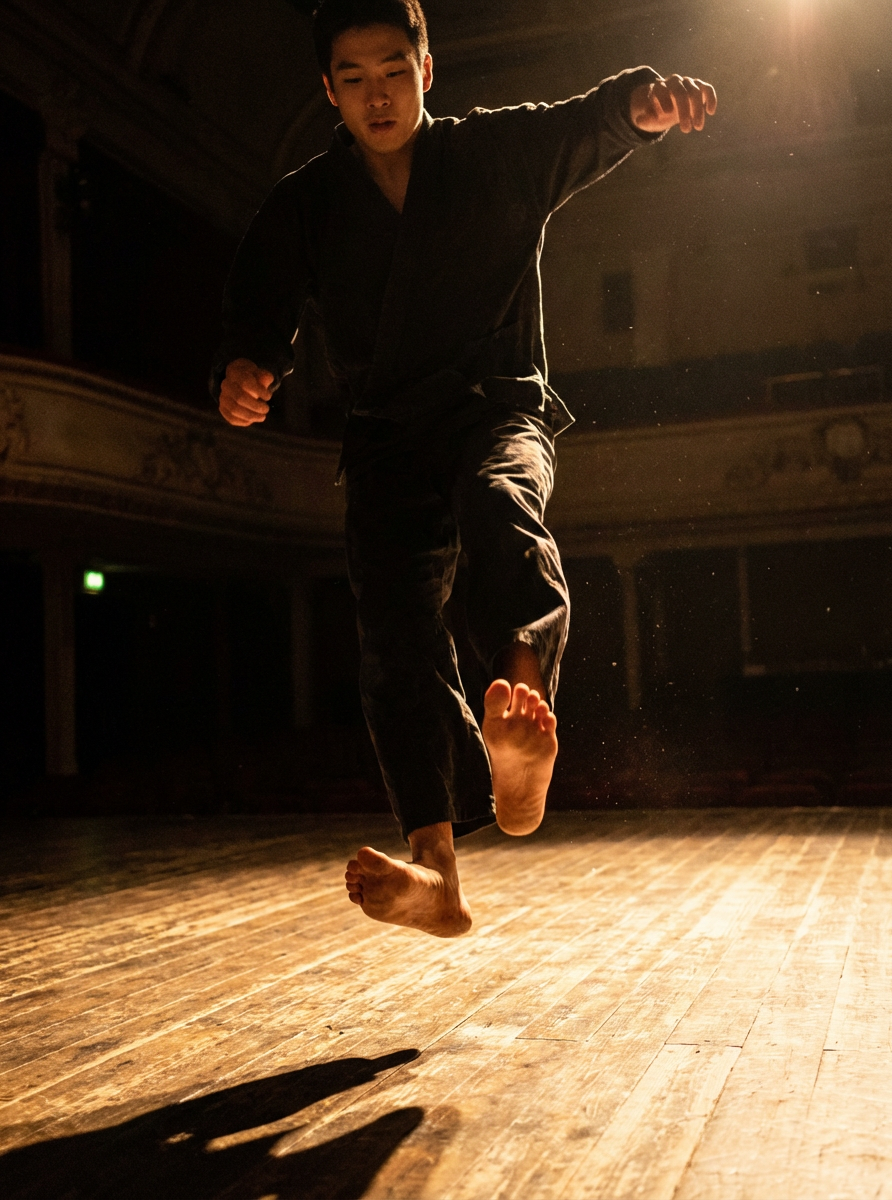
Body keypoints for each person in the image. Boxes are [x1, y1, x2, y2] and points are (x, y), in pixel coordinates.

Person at [213, 0, 716, 938]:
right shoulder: (305, 203)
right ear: (328, 90)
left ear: (427, 69)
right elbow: (258, 305)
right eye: (354, 78)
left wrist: (640, 105)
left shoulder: (493, 152)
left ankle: (521, 727)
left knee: (499, 504)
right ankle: (438, 878)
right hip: (385, 439)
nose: (377, 95)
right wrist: (250, 367)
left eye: (393, 71)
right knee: (394, 633)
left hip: (496, 406)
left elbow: (584, 123)